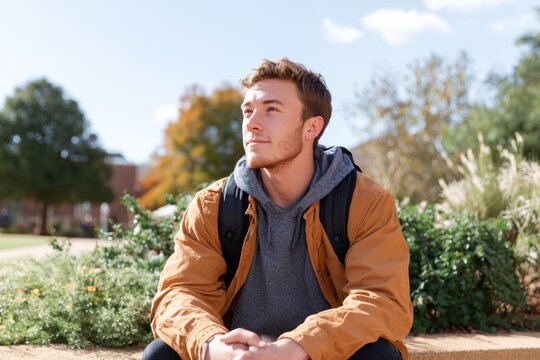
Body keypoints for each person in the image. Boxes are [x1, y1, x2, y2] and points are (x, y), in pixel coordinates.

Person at [142, 58, 413, 360]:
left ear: (312, 126)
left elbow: (381, 300)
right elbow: (179, 293)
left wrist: (294, 348)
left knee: (378, 356)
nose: (252, 123)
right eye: (248, 111)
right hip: (237, 357)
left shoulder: (365, 202)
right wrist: (213, 344)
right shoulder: (213, 204)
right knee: (159, 355)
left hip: (318, 355)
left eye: (272, 109)